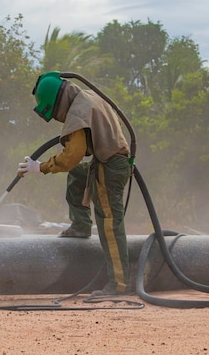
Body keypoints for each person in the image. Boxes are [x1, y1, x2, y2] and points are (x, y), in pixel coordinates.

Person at [17, 71, 131, 296]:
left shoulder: (77, 113)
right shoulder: (87, 97)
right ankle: (80, 226)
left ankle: (120, 285)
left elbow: (72, 156)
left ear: (57, 103)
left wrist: (39, 167)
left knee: (109, 223)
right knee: (78, 175)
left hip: (110, 166)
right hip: (107, 162)